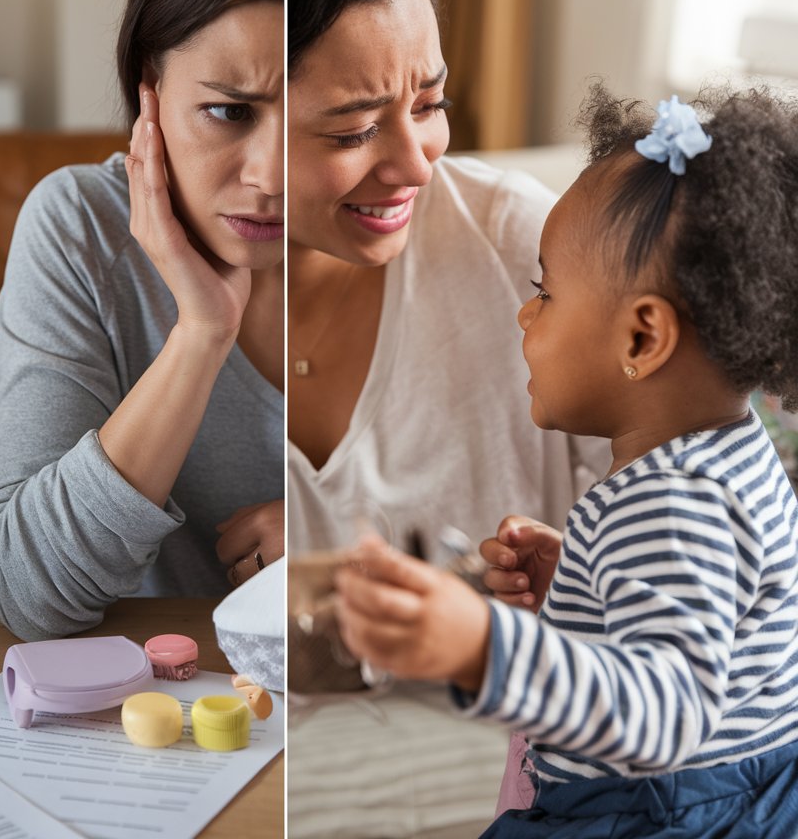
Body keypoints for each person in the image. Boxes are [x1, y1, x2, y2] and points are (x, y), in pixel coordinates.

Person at [335, 85, 798, 837]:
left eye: (546, 292)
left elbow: (665, 715)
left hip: (652, 818)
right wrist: (587, 594)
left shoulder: (673, 504)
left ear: (642, 340)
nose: (525, 312)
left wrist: (485, 647)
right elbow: (714, 622)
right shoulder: (725, 458)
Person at [286, 0, 606, 838]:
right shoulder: (157, 303)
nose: (416, 159)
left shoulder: (535, 251)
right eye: (354, 127)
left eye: (429, 101)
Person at [0, 0, 284, 642]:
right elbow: (25, 590)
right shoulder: (79, 225)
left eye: (314, 122)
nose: (272, 178)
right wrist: (200, 335)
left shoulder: (386, 222)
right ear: (150, 92)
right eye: (228, 111)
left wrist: (341, 544)